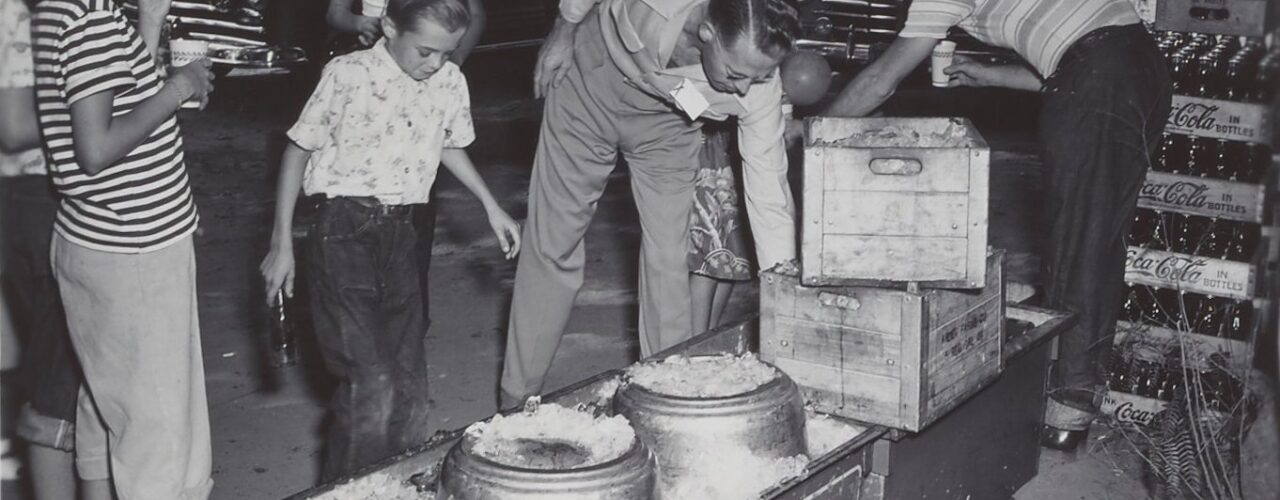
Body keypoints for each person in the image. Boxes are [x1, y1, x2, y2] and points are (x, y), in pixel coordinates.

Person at [823, 0, 1172, 449]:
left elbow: (881, 80)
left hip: (1104, 78)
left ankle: (1069, 406)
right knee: (1099, 238)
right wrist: (991, 74)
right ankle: (1074, 393)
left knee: (1080, 243)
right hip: (1140, 66)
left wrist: (814, 128)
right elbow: (1073, 64)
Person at [259, 0, 521, 479]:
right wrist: (282, 243)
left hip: (403, 232)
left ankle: (399, 484)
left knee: (409, 384)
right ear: (388, 26)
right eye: (425, 51)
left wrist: (490, 204)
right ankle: (352, 488)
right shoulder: (347, 74)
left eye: (448, 52)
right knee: (370, 383)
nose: (436, 63)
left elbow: (446, 141)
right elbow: (298, 150)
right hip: (343, 232)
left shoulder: (447, 80)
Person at [500, 0, 801, 408]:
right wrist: (565, 26)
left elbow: (769, 194)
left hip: (668, 124)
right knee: (554, 242)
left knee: (669, 258)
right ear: (708, 31)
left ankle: (665, 397)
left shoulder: (760, 88)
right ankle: (516, 400)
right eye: (737, 74)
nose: (747, 88)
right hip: (591, 80)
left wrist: (782, 287)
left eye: (762, 76)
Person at [30, 0, 217, 495]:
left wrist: (149, 25)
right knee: (161, 438)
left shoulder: (61, 9)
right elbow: (96, 149)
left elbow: (111, 97)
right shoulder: (92, 18)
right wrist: (180, 87)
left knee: (107, 414)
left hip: (93, 233)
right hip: (132, 248)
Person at [324, 0, 486, 339]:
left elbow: (475, 14)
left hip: (417, 108)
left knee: (413, 230)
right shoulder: (346, 73)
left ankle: (410, 329)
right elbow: (334, 14)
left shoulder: (440, 69)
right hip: (369, 98)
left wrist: (444, 58)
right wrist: (359, 24)